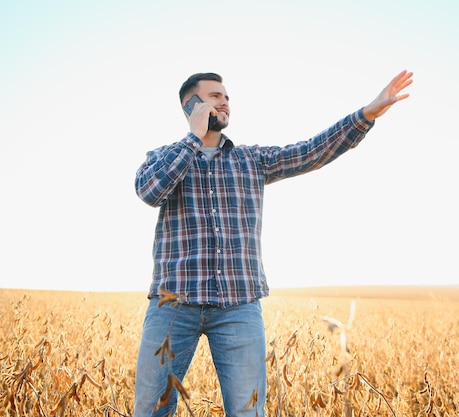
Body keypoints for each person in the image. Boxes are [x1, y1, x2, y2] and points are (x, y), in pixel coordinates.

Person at [133, 70, 413, 417]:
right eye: (215, 96)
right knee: (150, 409)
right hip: (172, 304)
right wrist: (193, 138)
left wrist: (366, 114)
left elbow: (310, 151)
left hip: (239, 306)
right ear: (191, 105)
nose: (225, 102)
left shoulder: (251, 159)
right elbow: (150, 192)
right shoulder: (162, 157)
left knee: (248, 411)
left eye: (227, 97)